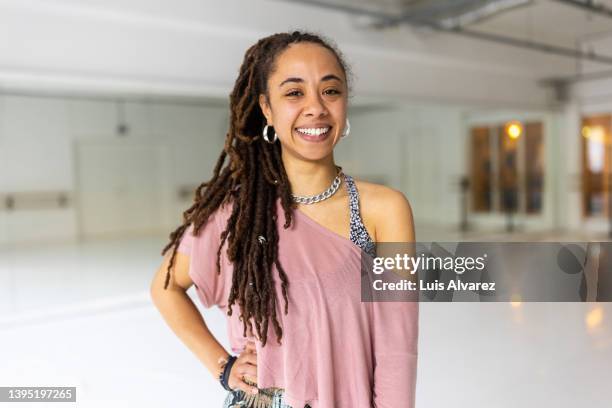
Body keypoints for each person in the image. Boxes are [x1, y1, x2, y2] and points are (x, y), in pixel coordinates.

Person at [150, 30, 418, 408]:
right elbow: (165, 287)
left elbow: (397, 346)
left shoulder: (384, 210)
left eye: (331, 91)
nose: (316, 108)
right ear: (267, 108)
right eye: (294, 93)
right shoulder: (236, 213)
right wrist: (223, 368)